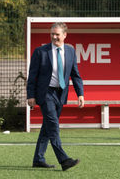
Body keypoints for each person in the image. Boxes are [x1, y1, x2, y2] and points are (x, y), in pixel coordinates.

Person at [27, 22, 85, 171]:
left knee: (47, 127)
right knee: (53, 125)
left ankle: (38, 159)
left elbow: (75, 75)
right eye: (52, 34)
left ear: (65, 35)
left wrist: (80, 94)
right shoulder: (40, 51)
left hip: (61, 94)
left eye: (57, 34)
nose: (54, 37)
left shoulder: (71, 51)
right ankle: (64, 160)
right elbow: (32, 75)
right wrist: (31, 95)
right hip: (45, 93)